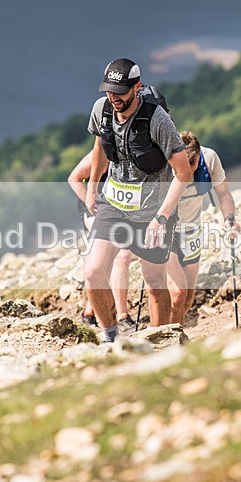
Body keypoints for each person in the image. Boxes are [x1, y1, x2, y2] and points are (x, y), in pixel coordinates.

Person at [84, 58, 192, 342]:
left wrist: (162, 217)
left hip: (152, 214)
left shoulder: (157, 120)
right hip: (113, 205)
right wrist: (92, 188)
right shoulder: (102, 110)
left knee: (155, 285)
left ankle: (160, 343)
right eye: (109, 91)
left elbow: (184, 173)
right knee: (93, 273)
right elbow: (100, 146)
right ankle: (111, 338)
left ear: (137, 87)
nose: (113, 97)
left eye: (120, 91)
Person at [167, 131, 241, 325]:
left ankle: (175, 328)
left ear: (199, 155)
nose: (188, 172)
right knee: (178, 293)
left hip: (191, 230)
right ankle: (171, 337)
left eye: (191, 166)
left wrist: (230, 219)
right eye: (182, 166)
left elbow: (224, 194)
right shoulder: (164, 162)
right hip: (164, 231)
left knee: (188, 298)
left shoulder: (209, 158)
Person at [68, 150, 135, 329]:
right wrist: (94, 206)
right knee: (122, 255)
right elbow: (74, 179)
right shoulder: (103, 150)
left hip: (120, 210)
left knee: (106, 261)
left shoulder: (139, 148)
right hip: (95, 211)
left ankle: (90, 311)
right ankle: (121, 315)